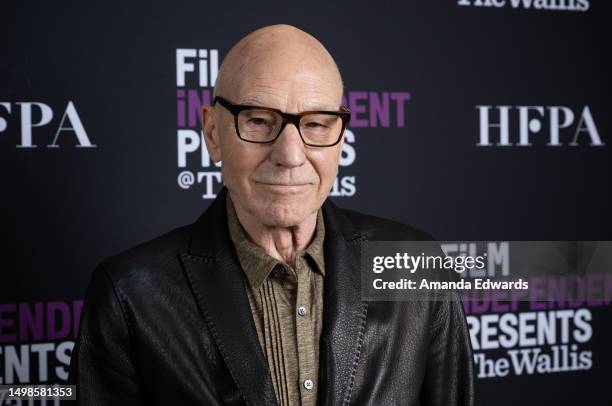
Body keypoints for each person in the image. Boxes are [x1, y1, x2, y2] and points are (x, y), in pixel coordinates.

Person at [69, 24, 474, 405]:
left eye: (317, 124)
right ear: (212, 134)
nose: (290, 155)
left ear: (341, 138)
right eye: (260, 121)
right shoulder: (129, 296)